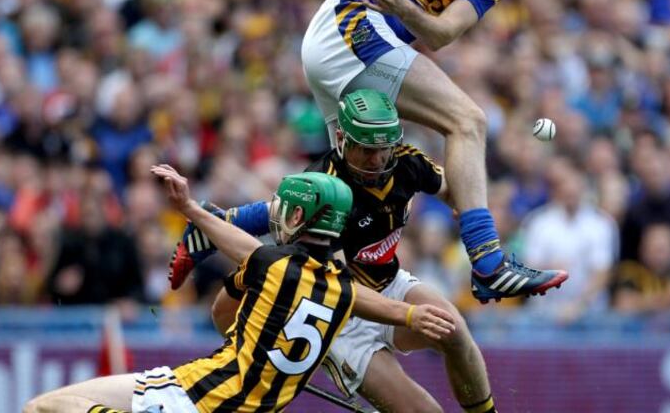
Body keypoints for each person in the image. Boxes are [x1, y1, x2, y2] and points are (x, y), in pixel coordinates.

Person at [301, 0, 569, 301]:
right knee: (467, 120)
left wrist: (404, 7)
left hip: (365, 43)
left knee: (369, 183)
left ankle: (238, 229)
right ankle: (487, 263)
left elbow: (441, 33)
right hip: (348, 24)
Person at [171, 90, 514, 413]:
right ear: (341, 139)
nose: (377, 159)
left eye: (385, 148)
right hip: (340, 315)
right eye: (366, 148)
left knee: (455, 330)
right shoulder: (326, 187)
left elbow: (454, 190)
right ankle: (217, 224)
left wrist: (469, 210)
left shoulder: (407, 163)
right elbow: (342, 292)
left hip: (388, 282)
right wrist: (408, 315)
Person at [24, 168, 454, 413]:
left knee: (43, 410)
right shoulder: (340, 292)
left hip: (202, 399)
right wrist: (410, 315)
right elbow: (370, 303)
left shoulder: (273, 263)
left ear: (298, 214)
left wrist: (192, 209)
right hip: (199, 389)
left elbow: (238, 261)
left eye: (283, 207)